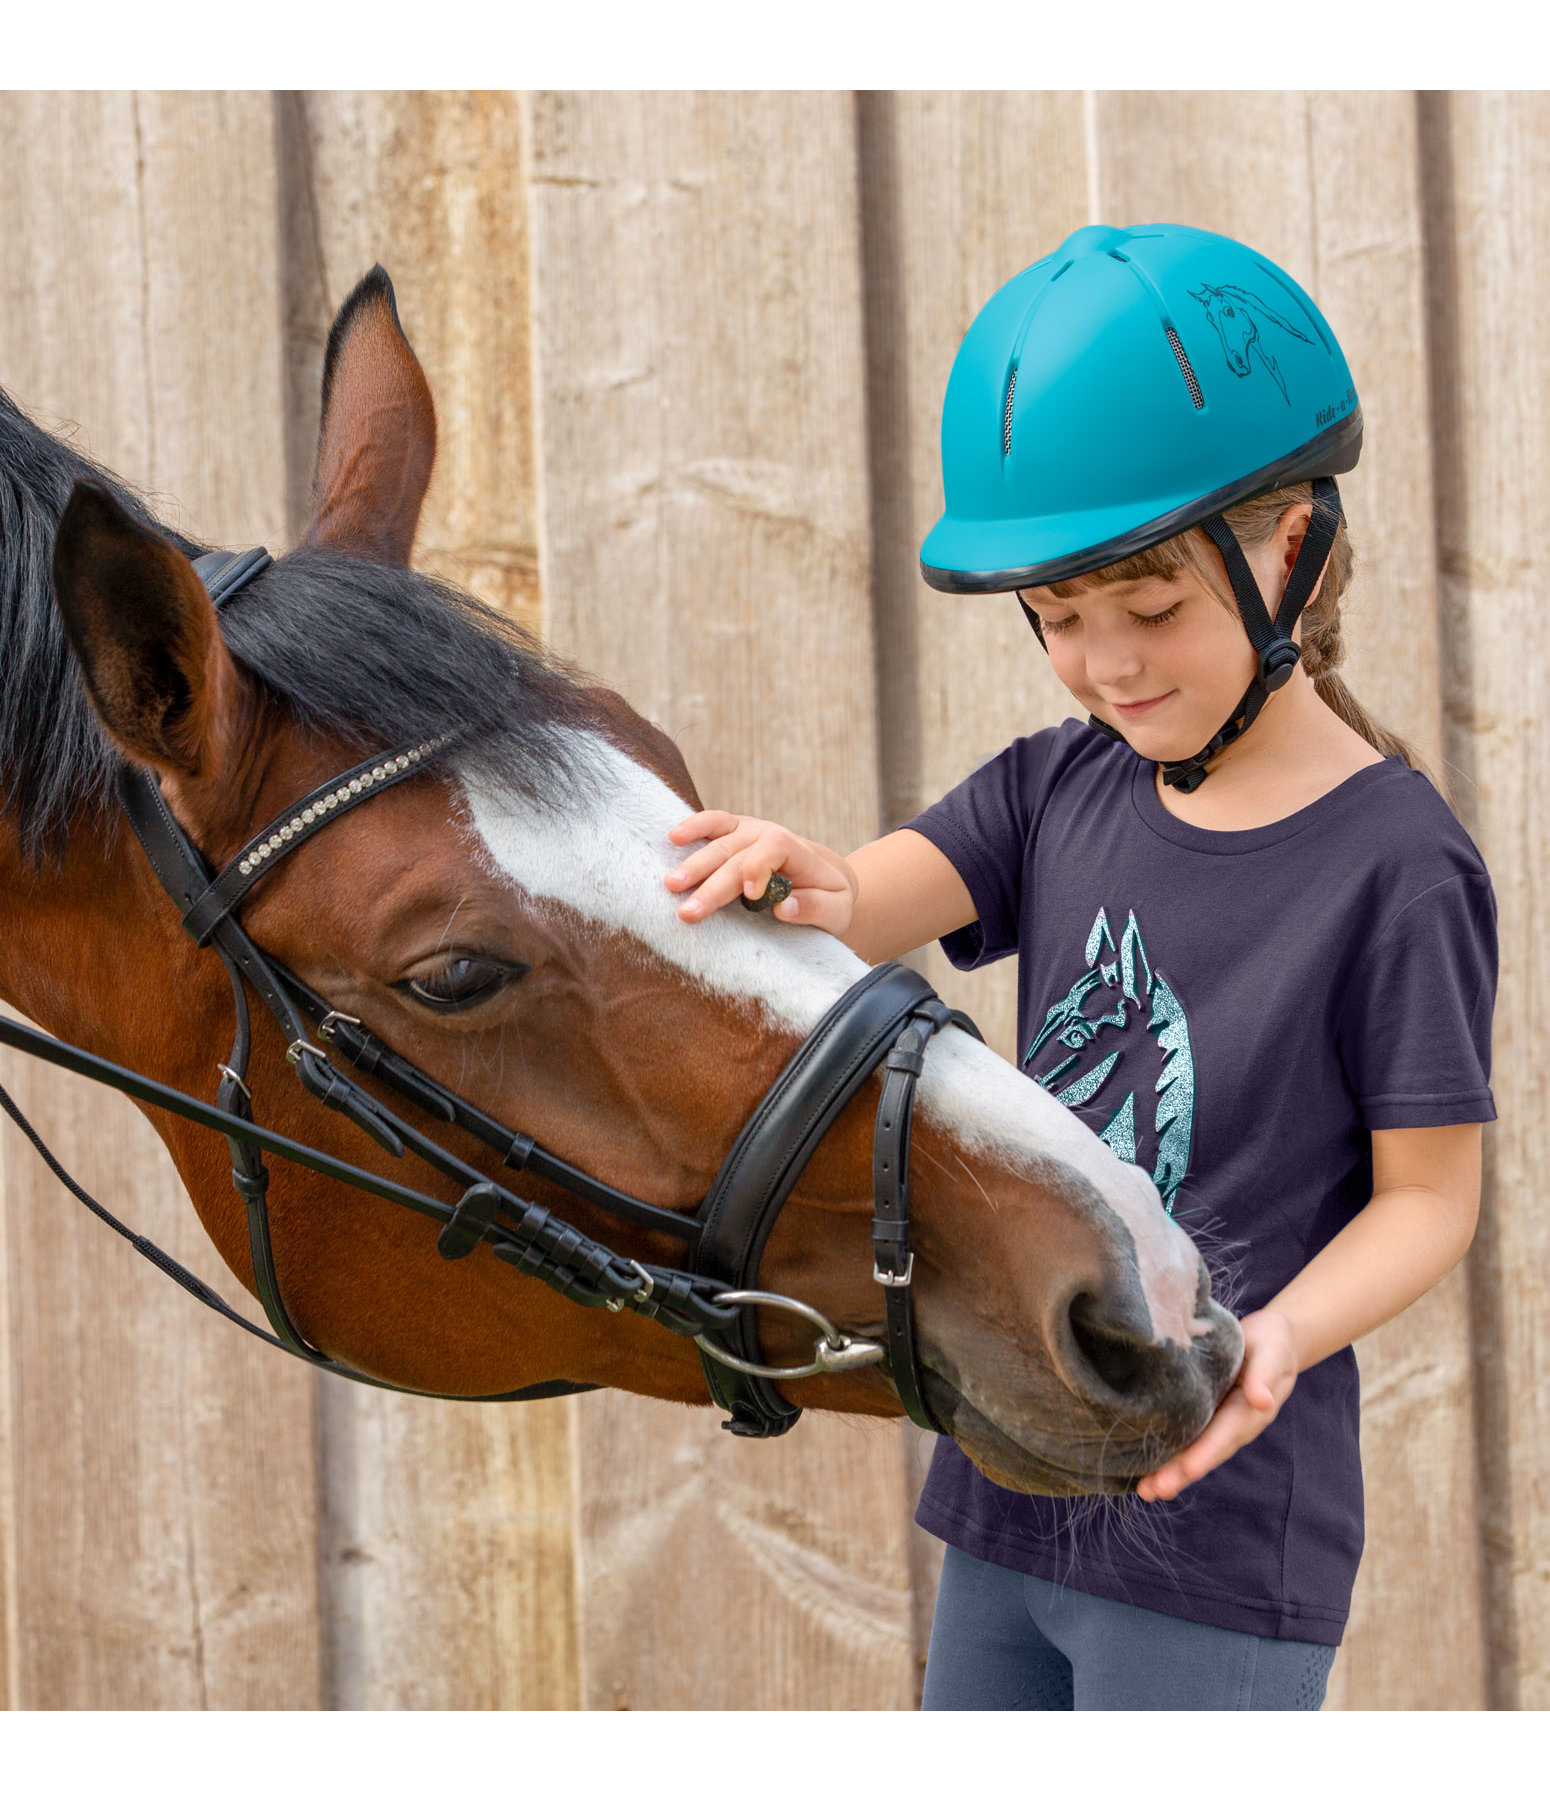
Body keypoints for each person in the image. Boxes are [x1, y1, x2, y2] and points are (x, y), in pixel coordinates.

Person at [661, 223, 1497, 1710]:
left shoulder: (1396, 866)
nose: (1104, 665)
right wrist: (794, 871)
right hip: (1015, 1477)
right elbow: (857, 898)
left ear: (1290, 547)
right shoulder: (1059, 786)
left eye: (1152, 610)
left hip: (1218, 1528)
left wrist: (1279, 1338)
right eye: (1057, 621)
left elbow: (1429, 1198)